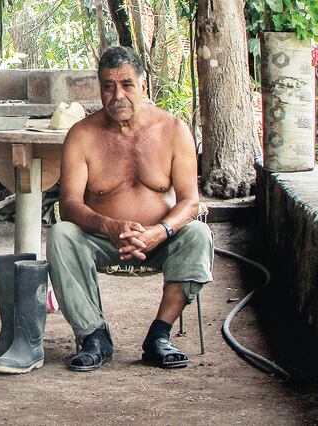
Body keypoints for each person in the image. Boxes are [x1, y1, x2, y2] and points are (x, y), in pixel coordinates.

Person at [47, 46, 213, 372]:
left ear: (143, 84)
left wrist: (159, 232)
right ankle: (95, 337)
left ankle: (159, 337)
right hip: (102, 240)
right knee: (61, 235)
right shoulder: (82, 135)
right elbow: (69, 205)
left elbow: (190, 202)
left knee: (198, 234)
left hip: (161, 240)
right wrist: (109, 226)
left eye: (126, 84)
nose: (117, 95)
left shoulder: (173, 130)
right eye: (108, 86)